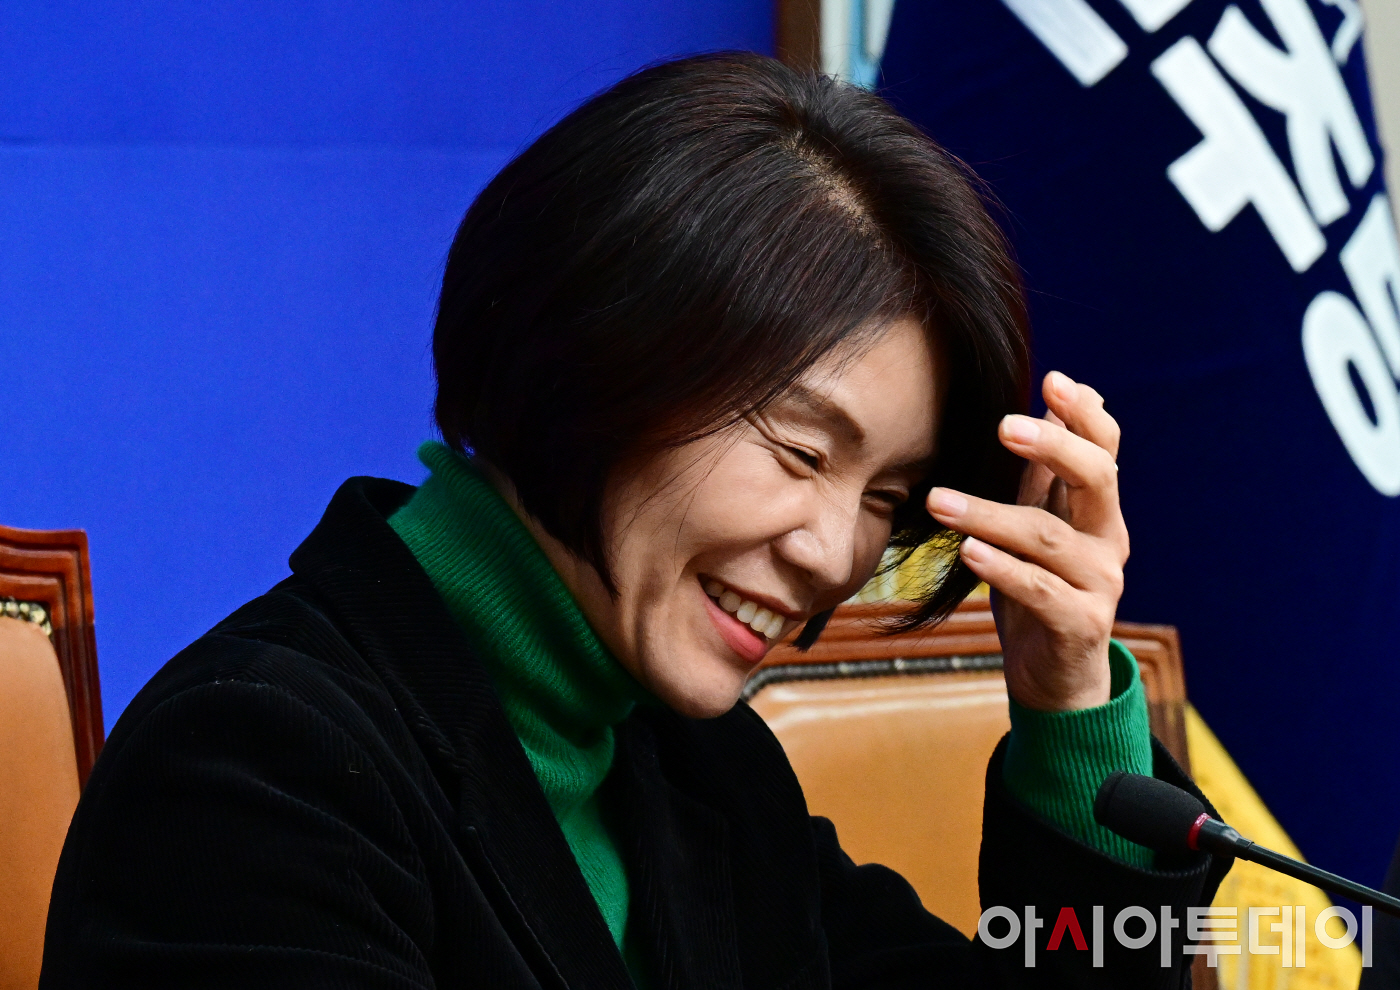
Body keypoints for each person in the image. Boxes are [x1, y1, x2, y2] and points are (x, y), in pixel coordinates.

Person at [41, 53, 1229, 988]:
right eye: (799, 450)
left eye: (883, 497)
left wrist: (1068, 704)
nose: (833, 555)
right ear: (591, 358)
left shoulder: (700, 768)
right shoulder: (254, 765)